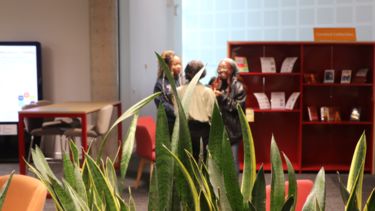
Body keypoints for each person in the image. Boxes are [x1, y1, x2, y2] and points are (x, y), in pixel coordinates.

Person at [177, 60, 216, 161]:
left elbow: (176, 112)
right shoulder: (208, 92)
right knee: (202, 162)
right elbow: (213, 114)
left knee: (187, 162)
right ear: (202, 73)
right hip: (203, 131)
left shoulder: (178, 91)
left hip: (184, 130)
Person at [213, 58, 246, 171]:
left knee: (232, 162)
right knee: (218, 163)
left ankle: (234, 188)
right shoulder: (216, 83)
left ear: (231, 70)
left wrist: (222, 97)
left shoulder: (238, 87)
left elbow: (238, 107)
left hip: (233, 131)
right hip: (218, 129)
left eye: (224, 67)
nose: (221, 70)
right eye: (219, 67)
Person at [153, 50, 182, 135]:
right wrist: (177, 112)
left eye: (180, 64)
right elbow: (161, 104)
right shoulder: (160, 83)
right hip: (167, 123)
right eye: (175, 64)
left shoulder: (181, 80)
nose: (179, 67)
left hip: (180, 123)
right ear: (167, 66)